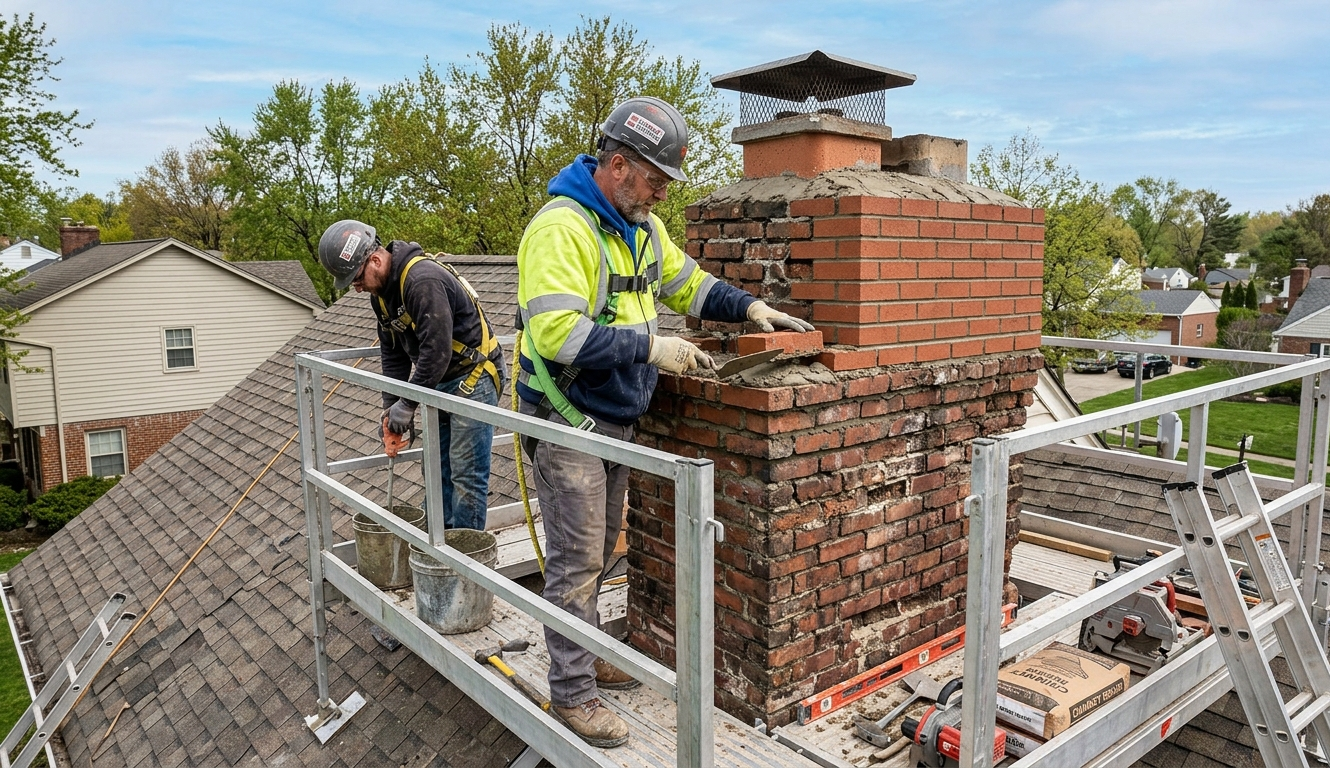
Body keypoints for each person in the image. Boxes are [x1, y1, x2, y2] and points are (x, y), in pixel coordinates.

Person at [516, 96, 813, 747]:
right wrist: (653, 348)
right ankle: (571, 694)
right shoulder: (560, 229)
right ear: (618, 165)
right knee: (576, 562)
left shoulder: (640, 228)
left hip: (616, 418)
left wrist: (750, 309)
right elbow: (558, 333)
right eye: (654, 180)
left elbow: (687, 283)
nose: (661, 194)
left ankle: (585, 653)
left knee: (601, 552)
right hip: (567, 421)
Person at [318, 220, 506, 531]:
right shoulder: (381, 296)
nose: (358, 286)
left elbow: (436, 352)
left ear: (375, 260)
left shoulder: (422, 281)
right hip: (437, 382)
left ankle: (465, 561)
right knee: (436, 470)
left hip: (472, 377)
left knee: (465, 475)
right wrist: (391, 407)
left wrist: (408, 404)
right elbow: (393, 353)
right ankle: (437, 546)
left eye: (357, 278)